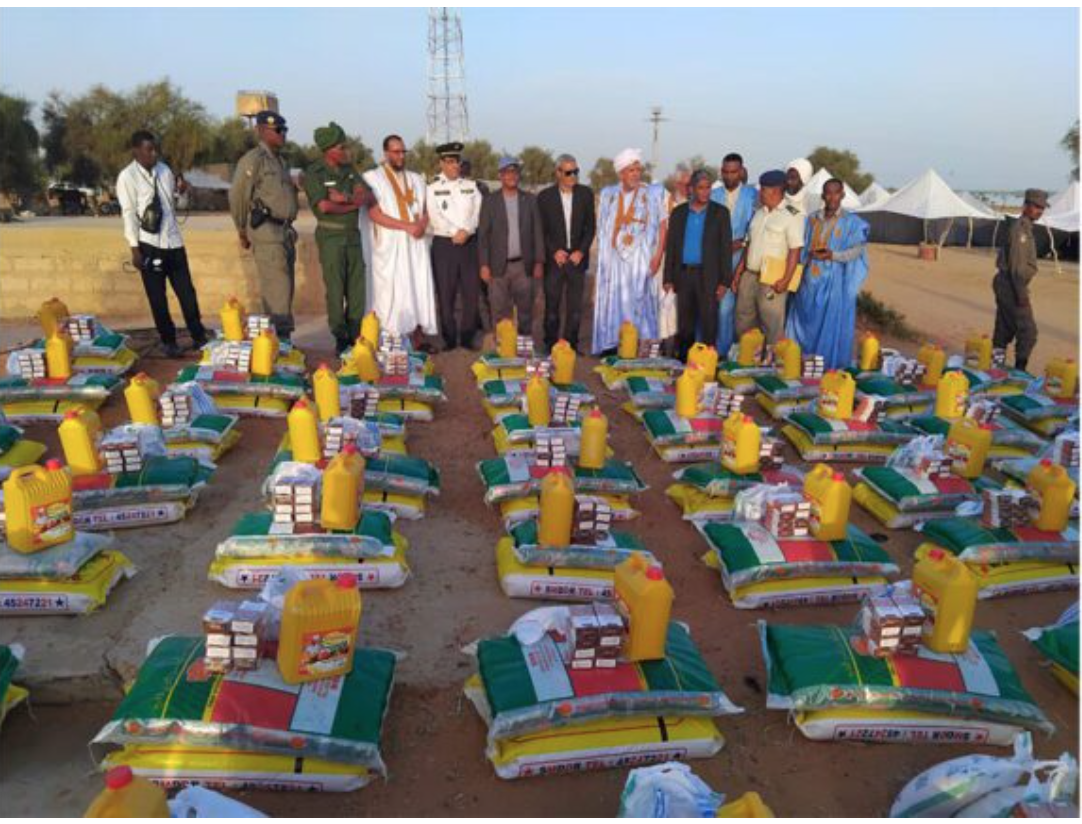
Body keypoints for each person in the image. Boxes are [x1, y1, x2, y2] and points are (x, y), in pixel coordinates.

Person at [117, 129, 208, 357]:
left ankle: (199, 336)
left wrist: (182, 192)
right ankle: (169, 341)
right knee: (157, 297)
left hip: (174, 242)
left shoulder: (164, 170)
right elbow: (128, 213)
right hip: (149, 244)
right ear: (136, 151)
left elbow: (172, 205)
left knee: (187, 293)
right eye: (149, 149)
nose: (154, 153)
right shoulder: (127, 177)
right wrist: (134, 248)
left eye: (155, 148)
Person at [361, 135, 438, 345]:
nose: (401, 156)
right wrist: (407, 226)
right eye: (396, 152)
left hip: (416, 245)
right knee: (391, 291)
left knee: (418, 287)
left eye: (404, 151)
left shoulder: (417, 179)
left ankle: (417, 337)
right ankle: (391, 338)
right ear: (385, 153)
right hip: (390, 247)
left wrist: (421, 224)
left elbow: (426, 210)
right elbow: (374, 214)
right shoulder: (372, 178)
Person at [229, 110, 299, 340]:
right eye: (278, 130)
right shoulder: (254, 160)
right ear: (261, 130)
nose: (283, 134)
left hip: (285, 231)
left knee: (285, 288)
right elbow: (239, 196)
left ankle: (277, 342)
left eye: (284, 129)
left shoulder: (280, 161)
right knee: (277, 289)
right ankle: (281, 343)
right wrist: (241, 229)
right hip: (267, 231)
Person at [786, 178, 869, 369]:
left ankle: (825, 367)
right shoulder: (812, 218)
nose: (832, 197)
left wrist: (833, 255)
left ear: (843, 195)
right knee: (804, 321)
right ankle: (797, 363)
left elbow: (857, 251)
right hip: (809, 280)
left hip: (833, 281)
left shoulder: (853, 223)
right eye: (828, 193)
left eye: (836, 192)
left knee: (828, 325)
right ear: (823, 195)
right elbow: (801, 244)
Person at [592, 148, 668, 355]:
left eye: (638, 169)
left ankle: (642, 347)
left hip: (641, 262)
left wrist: (658, 256)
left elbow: (663, 226)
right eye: (631, 170)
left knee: (640, 302)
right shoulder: (608, 195)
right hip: (614, 263)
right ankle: (614, 345)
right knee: (615, 301)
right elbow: (601, 230)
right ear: (621, 173)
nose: (636, 174)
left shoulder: (652, 194)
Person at [304, 122, 371, 355]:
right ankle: (340, 336)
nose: (346, 151)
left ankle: (355, 333)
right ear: (329, 149)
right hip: (331, 237)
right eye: (342, 147)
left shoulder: (349, 170)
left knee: (356, 289)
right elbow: (324, 206)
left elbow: (367, 196)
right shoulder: (314, 173)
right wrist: (350, 204)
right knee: (335, 289)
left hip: (353, 237)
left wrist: (344, 199)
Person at [664, 170, 732, 361]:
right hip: (684, 275)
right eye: (701, 188)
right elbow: (672, 247)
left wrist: (725, 282)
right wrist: (668, 277)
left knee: (709, 323)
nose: (705, 192)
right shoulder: (678, 213)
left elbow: (725, 249)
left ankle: (707, 365)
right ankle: (685, 363)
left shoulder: (720, 214)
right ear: (692, 189)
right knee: (685, 324)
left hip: (709, 277)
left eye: (708, 187)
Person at [477, 156, 545, 337]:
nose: (511, 175)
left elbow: (537, 231)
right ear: (500, 175)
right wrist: (483, 265)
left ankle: (523, 349)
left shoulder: (530, 200)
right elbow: (483, 236)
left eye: (514, 171)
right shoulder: (490, 201)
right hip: (498, 266)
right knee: (499, 311)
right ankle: (503, 350)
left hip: (524, 266)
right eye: (507, 172)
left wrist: (539, 261)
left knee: (525, 311)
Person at [735, 169, 805, 344]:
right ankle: (747, 362)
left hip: (773, 280)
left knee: (771, 324)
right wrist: (738, 273)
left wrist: (786, 280)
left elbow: (795, 250)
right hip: (750, 275)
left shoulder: (792, 215)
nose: (759, 193)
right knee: (743, 320)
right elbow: (748, 244)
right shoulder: (759, 213)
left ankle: (771, 366)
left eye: (763, 189)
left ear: (775, 191)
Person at [427, 141, 483, 351]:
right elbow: (434, 215)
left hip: (469, 244)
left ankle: (467, 338)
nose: (454, 166)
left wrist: (467, 230)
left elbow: (478, 212)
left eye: (457, 161)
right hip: (444, 245)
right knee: (446, 294)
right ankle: (449, 340)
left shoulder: (471, 187)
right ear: (441, 163)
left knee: (471, 294)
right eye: (449, 162)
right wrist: (454, 232)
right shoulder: (432, 189)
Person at [537, 154, 596, 353]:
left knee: (575, 309)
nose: (573, 176)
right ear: (559, 173)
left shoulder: (586, 194)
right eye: (569, 172)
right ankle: (550, 344)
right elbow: (541, 230)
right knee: (552, 307)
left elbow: (590, 227)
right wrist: (554, 251)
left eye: (576, 172)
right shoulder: (545, 197)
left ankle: (571, 345)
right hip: (555, 261)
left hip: (577, 260)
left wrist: (581, 250)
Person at [993, 188, 1047, 372]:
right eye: (1036, 206)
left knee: (1004, 326)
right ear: (1025, 206)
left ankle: (995, 366)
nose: (1039, 211)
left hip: (1007, 283)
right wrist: (1021, 295)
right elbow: (1017, 268)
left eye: (1042, 208)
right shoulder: (1020, 231)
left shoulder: (1025, 228)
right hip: (1012, 284)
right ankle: (1019, 371)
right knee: (1028, 332)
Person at [710, 152, 759, 355]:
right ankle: (719, 352)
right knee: (721, 307)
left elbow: (758, 225)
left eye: (734, 172)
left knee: (740, 311)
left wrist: (742, 242)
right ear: (721, 172)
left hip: (744, 258)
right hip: (716, 259)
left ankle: (735, 353)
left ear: (741, 172)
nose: (729, 176)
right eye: (726, 172)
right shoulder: (713, 195)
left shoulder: (753, 195)